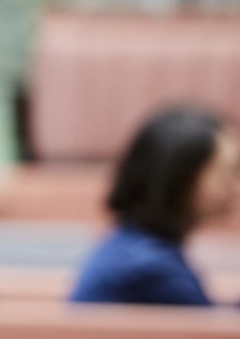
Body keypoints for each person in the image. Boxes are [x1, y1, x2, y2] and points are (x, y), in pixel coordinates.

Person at [70, 105, 238, 307]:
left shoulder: (133, 248)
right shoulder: (150, 269)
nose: (235, 186)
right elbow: (212, 333)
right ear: (180, 177)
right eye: (227, 172)